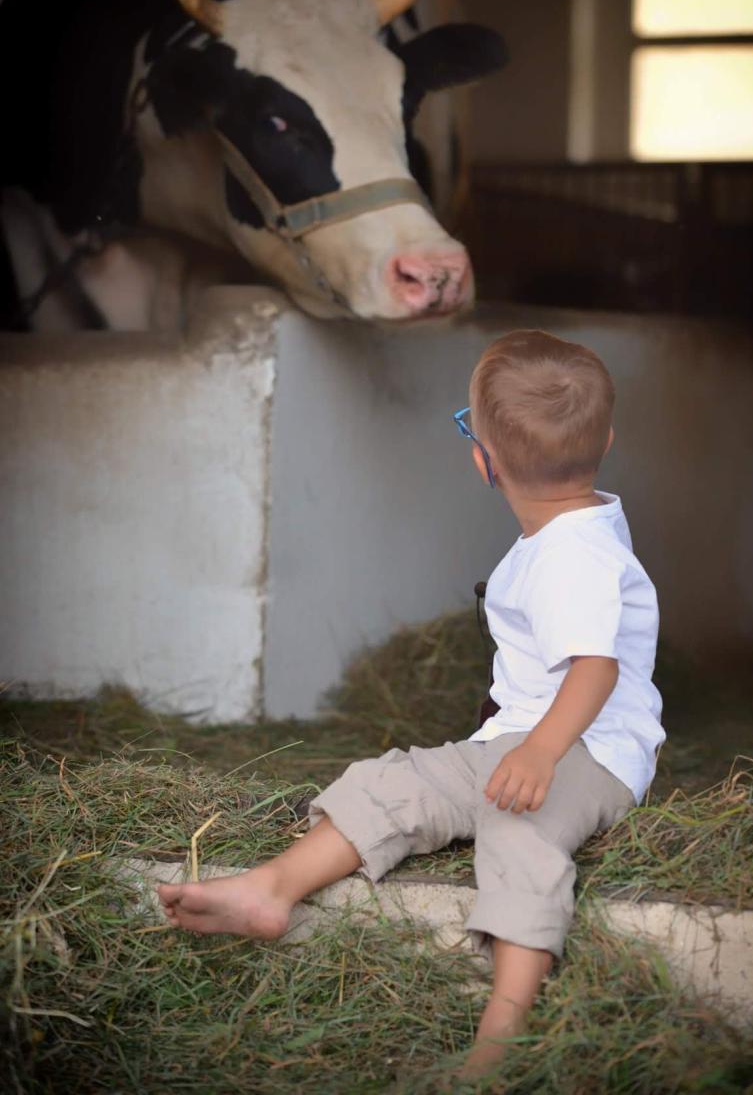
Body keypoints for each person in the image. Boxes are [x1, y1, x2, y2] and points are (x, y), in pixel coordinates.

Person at [157, 329, 665, 1078]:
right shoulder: (571, 525)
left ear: (481, 461)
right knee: (390, 781)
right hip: (523, 737)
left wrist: (539, 751)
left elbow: (593, 670)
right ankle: (272, 889)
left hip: (593, 750)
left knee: (515, 833)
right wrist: (519, 743)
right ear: (607, 440)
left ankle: (501, 1033)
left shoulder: (572, 556)